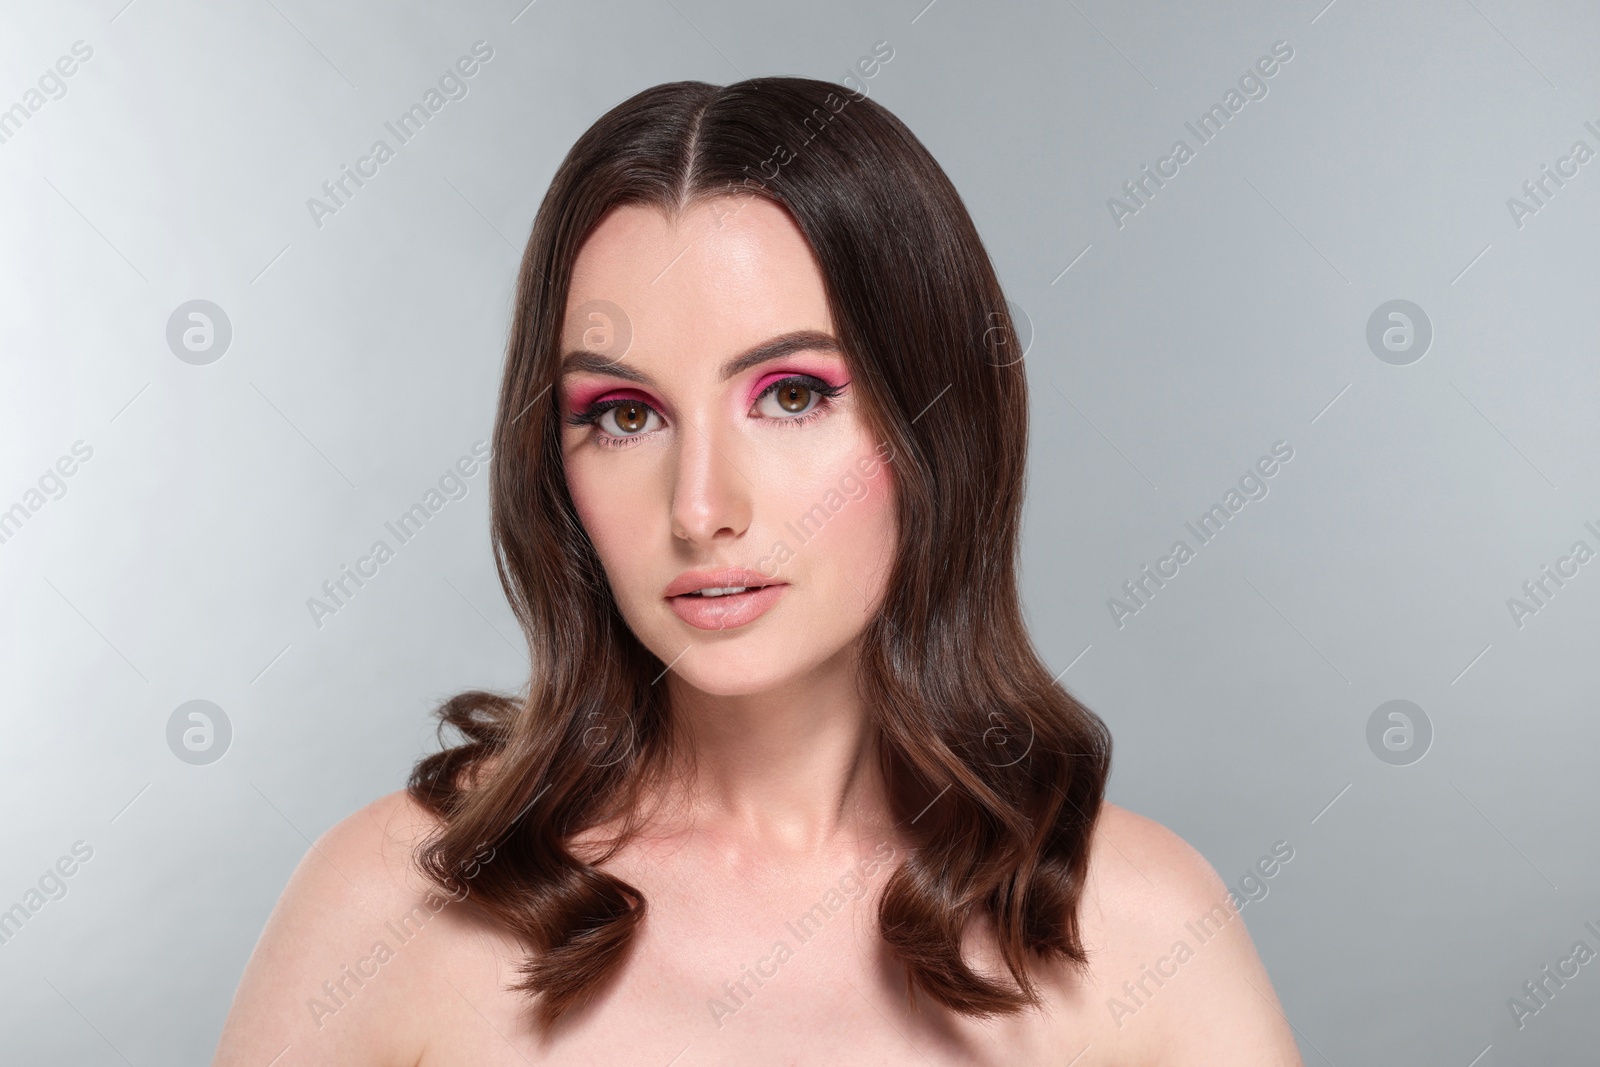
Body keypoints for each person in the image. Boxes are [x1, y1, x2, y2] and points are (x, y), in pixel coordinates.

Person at [214, 76, 1303, 1065]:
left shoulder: (1145, 928)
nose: (701, 509)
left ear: (938, 423)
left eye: (791, 394)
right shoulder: (389, 906)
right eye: (624, 413)